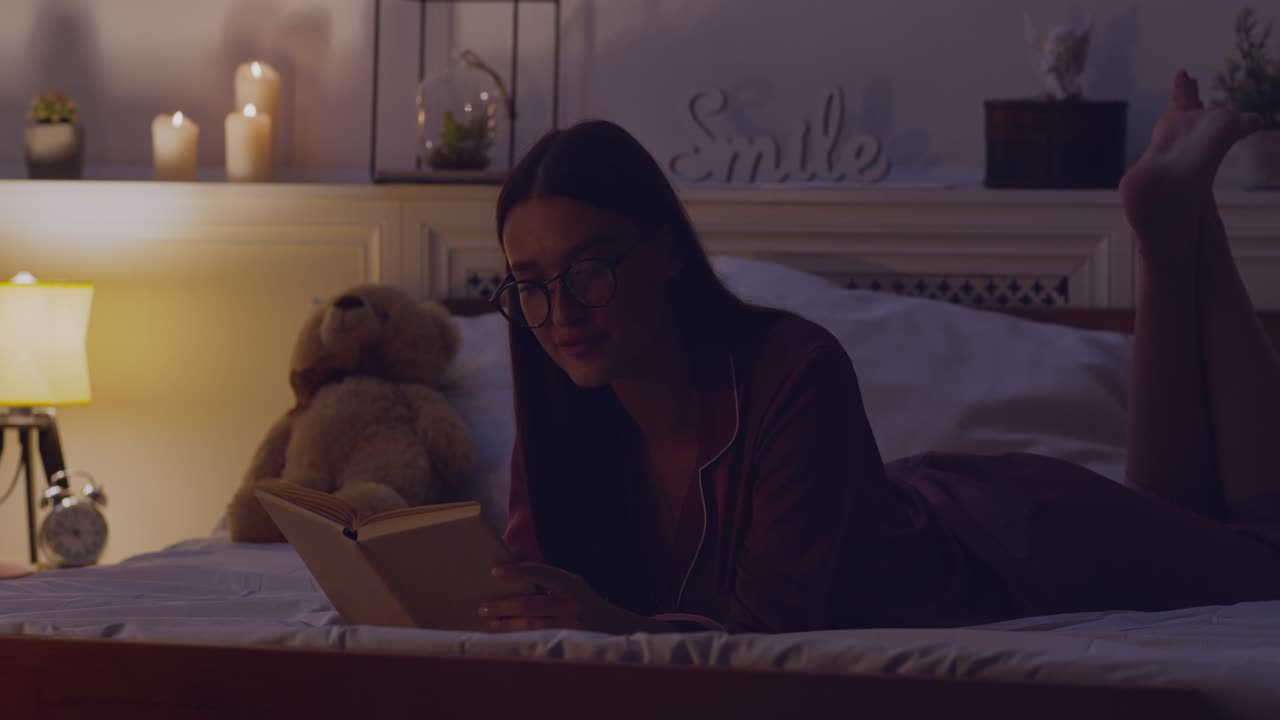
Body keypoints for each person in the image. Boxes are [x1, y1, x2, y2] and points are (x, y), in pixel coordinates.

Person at [475, 71, 1280, 634]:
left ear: (666, 253)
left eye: (589, 270)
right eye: (530, 283)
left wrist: (609, 624)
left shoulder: (793, 366)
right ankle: (1175, 219)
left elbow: (766, 633)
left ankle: (1180, 227)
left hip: (1013, 547)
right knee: (1186, 519)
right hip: (925, 508)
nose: (560, 312)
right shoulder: (559, 416)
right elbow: (538, 595)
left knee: (1262, 556)